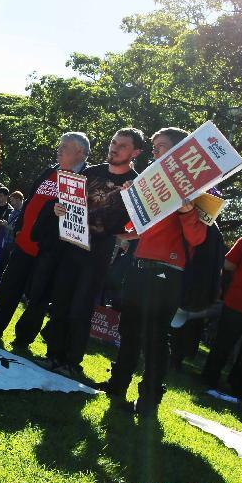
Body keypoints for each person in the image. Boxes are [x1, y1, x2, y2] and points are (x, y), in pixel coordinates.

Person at [96, 127, 207, 417]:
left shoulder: (194, 190)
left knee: (156, 337)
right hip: (139, 265)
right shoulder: (150, 182)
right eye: (155, 147)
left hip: (168, 272)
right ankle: (118, 384)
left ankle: (150, 400)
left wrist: (186, 211)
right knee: (129, 330)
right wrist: (129, 202)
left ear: (179, 153)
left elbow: (197, 239)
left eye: (161, 147)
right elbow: (138, 229)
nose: (155, 152)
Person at [40, 128, 144, 375]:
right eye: (113, 142)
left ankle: (72, 362)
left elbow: (140, 225)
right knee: (61, 301)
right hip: (71, 243)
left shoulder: (137, 184)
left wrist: (131, 202)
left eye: (123, 146)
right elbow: (68, 202)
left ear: (135, 153)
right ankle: (53, 355)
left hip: (100, 250)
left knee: (81, 307)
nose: (115, 148)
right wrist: (60, 209)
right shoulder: (90, 173)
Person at [0, 133, 88, 337]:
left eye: (65, 147)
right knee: (9, 286)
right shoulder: (50, 170)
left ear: (80, 152)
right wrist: (19, 227)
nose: (59, 149)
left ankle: (23, 337)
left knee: (38, 296)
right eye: (59, 145)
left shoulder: (86, 180)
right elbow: (30, 200)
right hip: (24, 241)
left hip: (50, 249)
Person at [201, 226, 242, 400]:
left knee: (223, 344)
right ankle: (239, 388)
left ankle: (209, 379)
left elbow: (228, 264)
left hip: (237, 303)